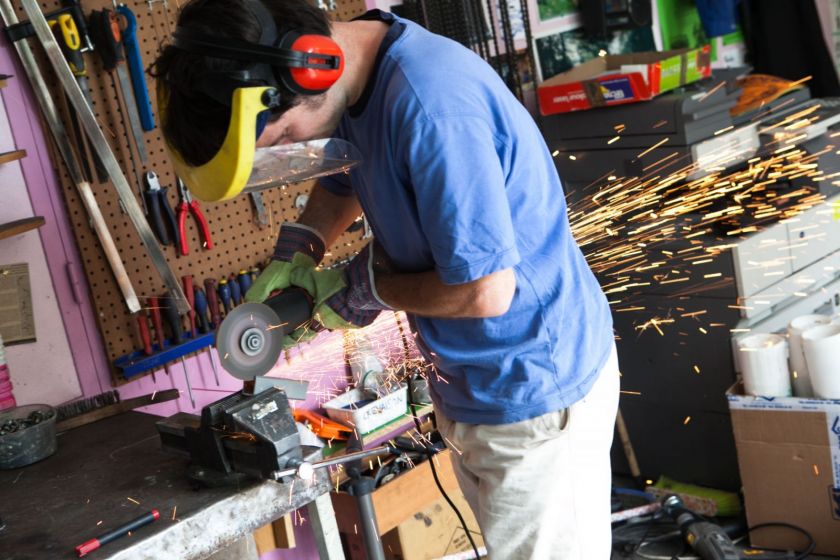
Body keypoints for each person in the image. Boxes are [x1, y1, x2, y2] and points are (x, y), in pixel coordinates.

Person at [152, 0, 619, 557]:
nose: (290, 152)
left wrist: (367, 290)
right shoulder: (354, 78)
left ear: (311, 68)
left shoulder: (432, 109)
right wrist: (304, 246)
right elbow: (346, 164)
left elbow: (486, 291)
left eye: (281, 139)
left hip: (532, 395)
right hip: (476, 387)